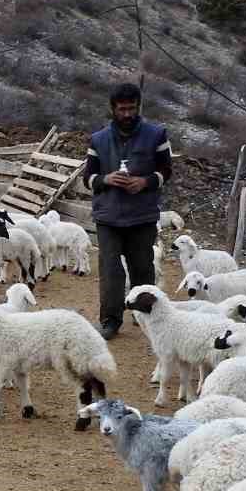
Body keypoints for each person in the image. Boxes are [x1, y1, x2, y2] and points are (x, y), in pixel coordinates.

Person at [81, 82, 173, 340]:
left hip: (142, 215)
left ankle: (146, 315)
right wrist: (105, 179)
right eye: (122, 109)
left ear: (138, 107)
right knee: (110, 270)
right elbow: (87, 178)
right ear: (113, 109)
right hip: (108, 216)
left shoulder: (156, 135)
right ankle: (110, 320)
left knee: (142, 268)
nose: (127, 114)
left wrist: (145, 182)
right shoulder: (98, 140)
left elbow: (166, 171)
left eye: (132, 108)